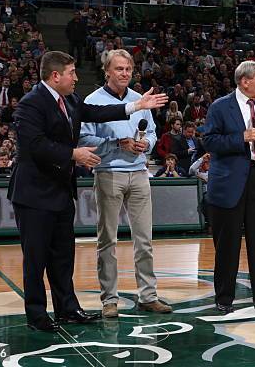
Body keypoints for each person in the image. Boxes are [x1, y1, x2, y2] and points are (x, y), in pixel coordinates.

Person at [7, 51, 167, 332]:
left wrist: (136, 106)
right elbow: (35, 146)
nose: (76, 78)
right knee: (36, 258)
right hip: (34, 193)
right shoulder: (30, 104)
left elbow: (96, 113)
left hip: (60, 190)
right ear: (55, 76)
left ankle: (67, 308)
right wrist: (73, 154)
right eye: (71, 73)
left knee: (62, 256)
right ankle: (36, 314)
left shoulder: (68, 100)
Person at [79, 49, 171, 318]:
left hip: (140, 172)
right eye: (119, 69)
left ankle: (148, 295)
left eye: (128, 69)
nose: (124, 74)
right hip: (108, 173)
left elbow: (152, 133)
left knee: (145, 239)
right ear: (107, 71)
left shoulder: (139, 99)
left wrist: (147, 144)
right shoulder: (92, 101)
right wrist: (116, 144)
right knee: (107, 239)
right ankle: (109, 300)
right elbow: (84, 140)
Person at [203, 60, 255, 314]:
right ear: (245, 81)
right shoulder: (220, 107)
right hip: (228, 183)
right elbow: (209, 141)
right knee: (227, 245)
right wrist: (241, 138)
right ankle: (224, 299)